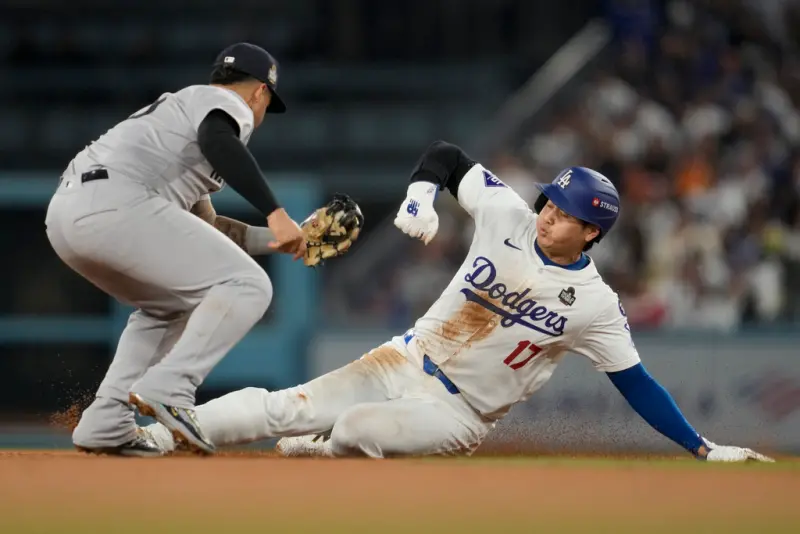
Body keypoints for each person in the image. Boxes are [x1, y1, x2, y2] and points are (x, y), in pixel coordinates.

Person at [145, 141, 773, 462]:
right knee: (291, 406)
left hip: (459, 413)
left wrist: (701, 446)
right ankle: (161, 437)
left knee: (358, 430)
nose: (550, 213)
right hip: (406, 358)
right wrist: (420, 195)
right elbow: (446, 158)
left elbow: (637, 385)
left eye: (567, 213)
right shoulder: (506, 213)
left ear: (592, 233)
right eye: (551, 201)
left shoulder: (594, 305)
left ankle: (327, 447)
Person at [46, 42, 306, 457]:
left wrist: (288, 237)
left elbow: (207, 229)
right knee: (250, 286)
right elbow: (220, 140)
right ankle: (172, 387)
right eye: (266, 105)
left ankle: (106, 421)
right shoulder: (223, 105)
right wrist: (276, 212)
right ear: (260, 92)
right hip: (118, 202)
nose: (261, 115)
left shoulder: (179, 120)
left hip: (70, 214)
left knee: (168, 306)